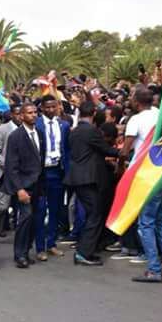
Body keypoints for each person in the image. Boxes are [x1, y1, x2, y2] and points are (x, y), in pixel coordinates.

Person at [126, 88, 162, 283]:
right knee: (161, 220)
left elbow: (126, 148)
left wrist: (121, 164)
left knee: (146, 222)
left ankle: (154, 269)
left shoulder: (136, 119)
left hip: (149, 176)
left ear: (137, 102)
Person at [64, 101, 120, 266]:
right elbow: (106, 150)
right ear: (94, 114)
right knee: (95, 214)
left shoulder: (75, 131)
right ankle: (83, 253)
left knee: (92, 214)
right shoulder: (91, 131)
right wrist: (127, 153)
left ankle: (87, 249)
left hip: (78, 178)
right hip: (87, 179)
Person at [3, 103, 45, 268]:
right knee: (25, 218)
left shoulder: (39, 133)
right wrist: (19, 189)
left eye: (35, 112)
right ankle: (19, 255)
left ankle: (26, 251)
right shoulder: (15, 136)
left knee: (35, 219)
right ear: (21, 116)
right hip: (23, 185)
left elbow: (40, 159)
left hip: (38, 185)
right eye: (29, 112)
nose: (33, 115)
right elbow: (11, 166)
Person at [34, 95, 71, 260]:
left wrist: (67, 171)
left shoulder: (64, 125)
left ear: (58, 107)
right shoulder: (36, 124)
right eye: (47, 107)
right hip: (41, 173)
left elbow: (67, 150)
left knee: (56, 209)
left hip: (57, 172)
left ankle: (51, 243)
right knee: (40, 210)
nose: (50, 110)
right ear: (42, 108)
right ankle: (39, 247)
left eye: (53, 107)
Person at [0, 111, 17, 236]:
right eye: (17, 114)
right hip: (6, 173)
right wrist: (8, 166)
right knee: (3, 205)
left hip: (23, 174)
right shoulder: (2, 129)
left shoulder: (28, 129)